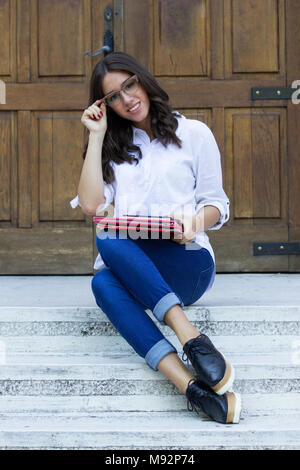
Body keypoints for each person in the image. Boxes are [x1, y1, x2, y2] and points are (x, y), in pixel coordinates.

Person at [70, 52, 241, 424]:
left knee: (110, 239)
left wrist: (195, 223)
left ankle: (189, 336)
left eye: (129, 85)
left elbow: (217, 204)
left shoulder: (194, 134)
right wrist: (96, 137)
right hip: (135, 268)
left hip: (187, 263)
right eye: (113, 96)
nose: (126, 99)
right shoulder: (112, 148)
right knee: (103, 276)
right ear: (106, 105)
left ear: (142, 80)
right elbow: (91, 204)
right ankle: (192, 389)